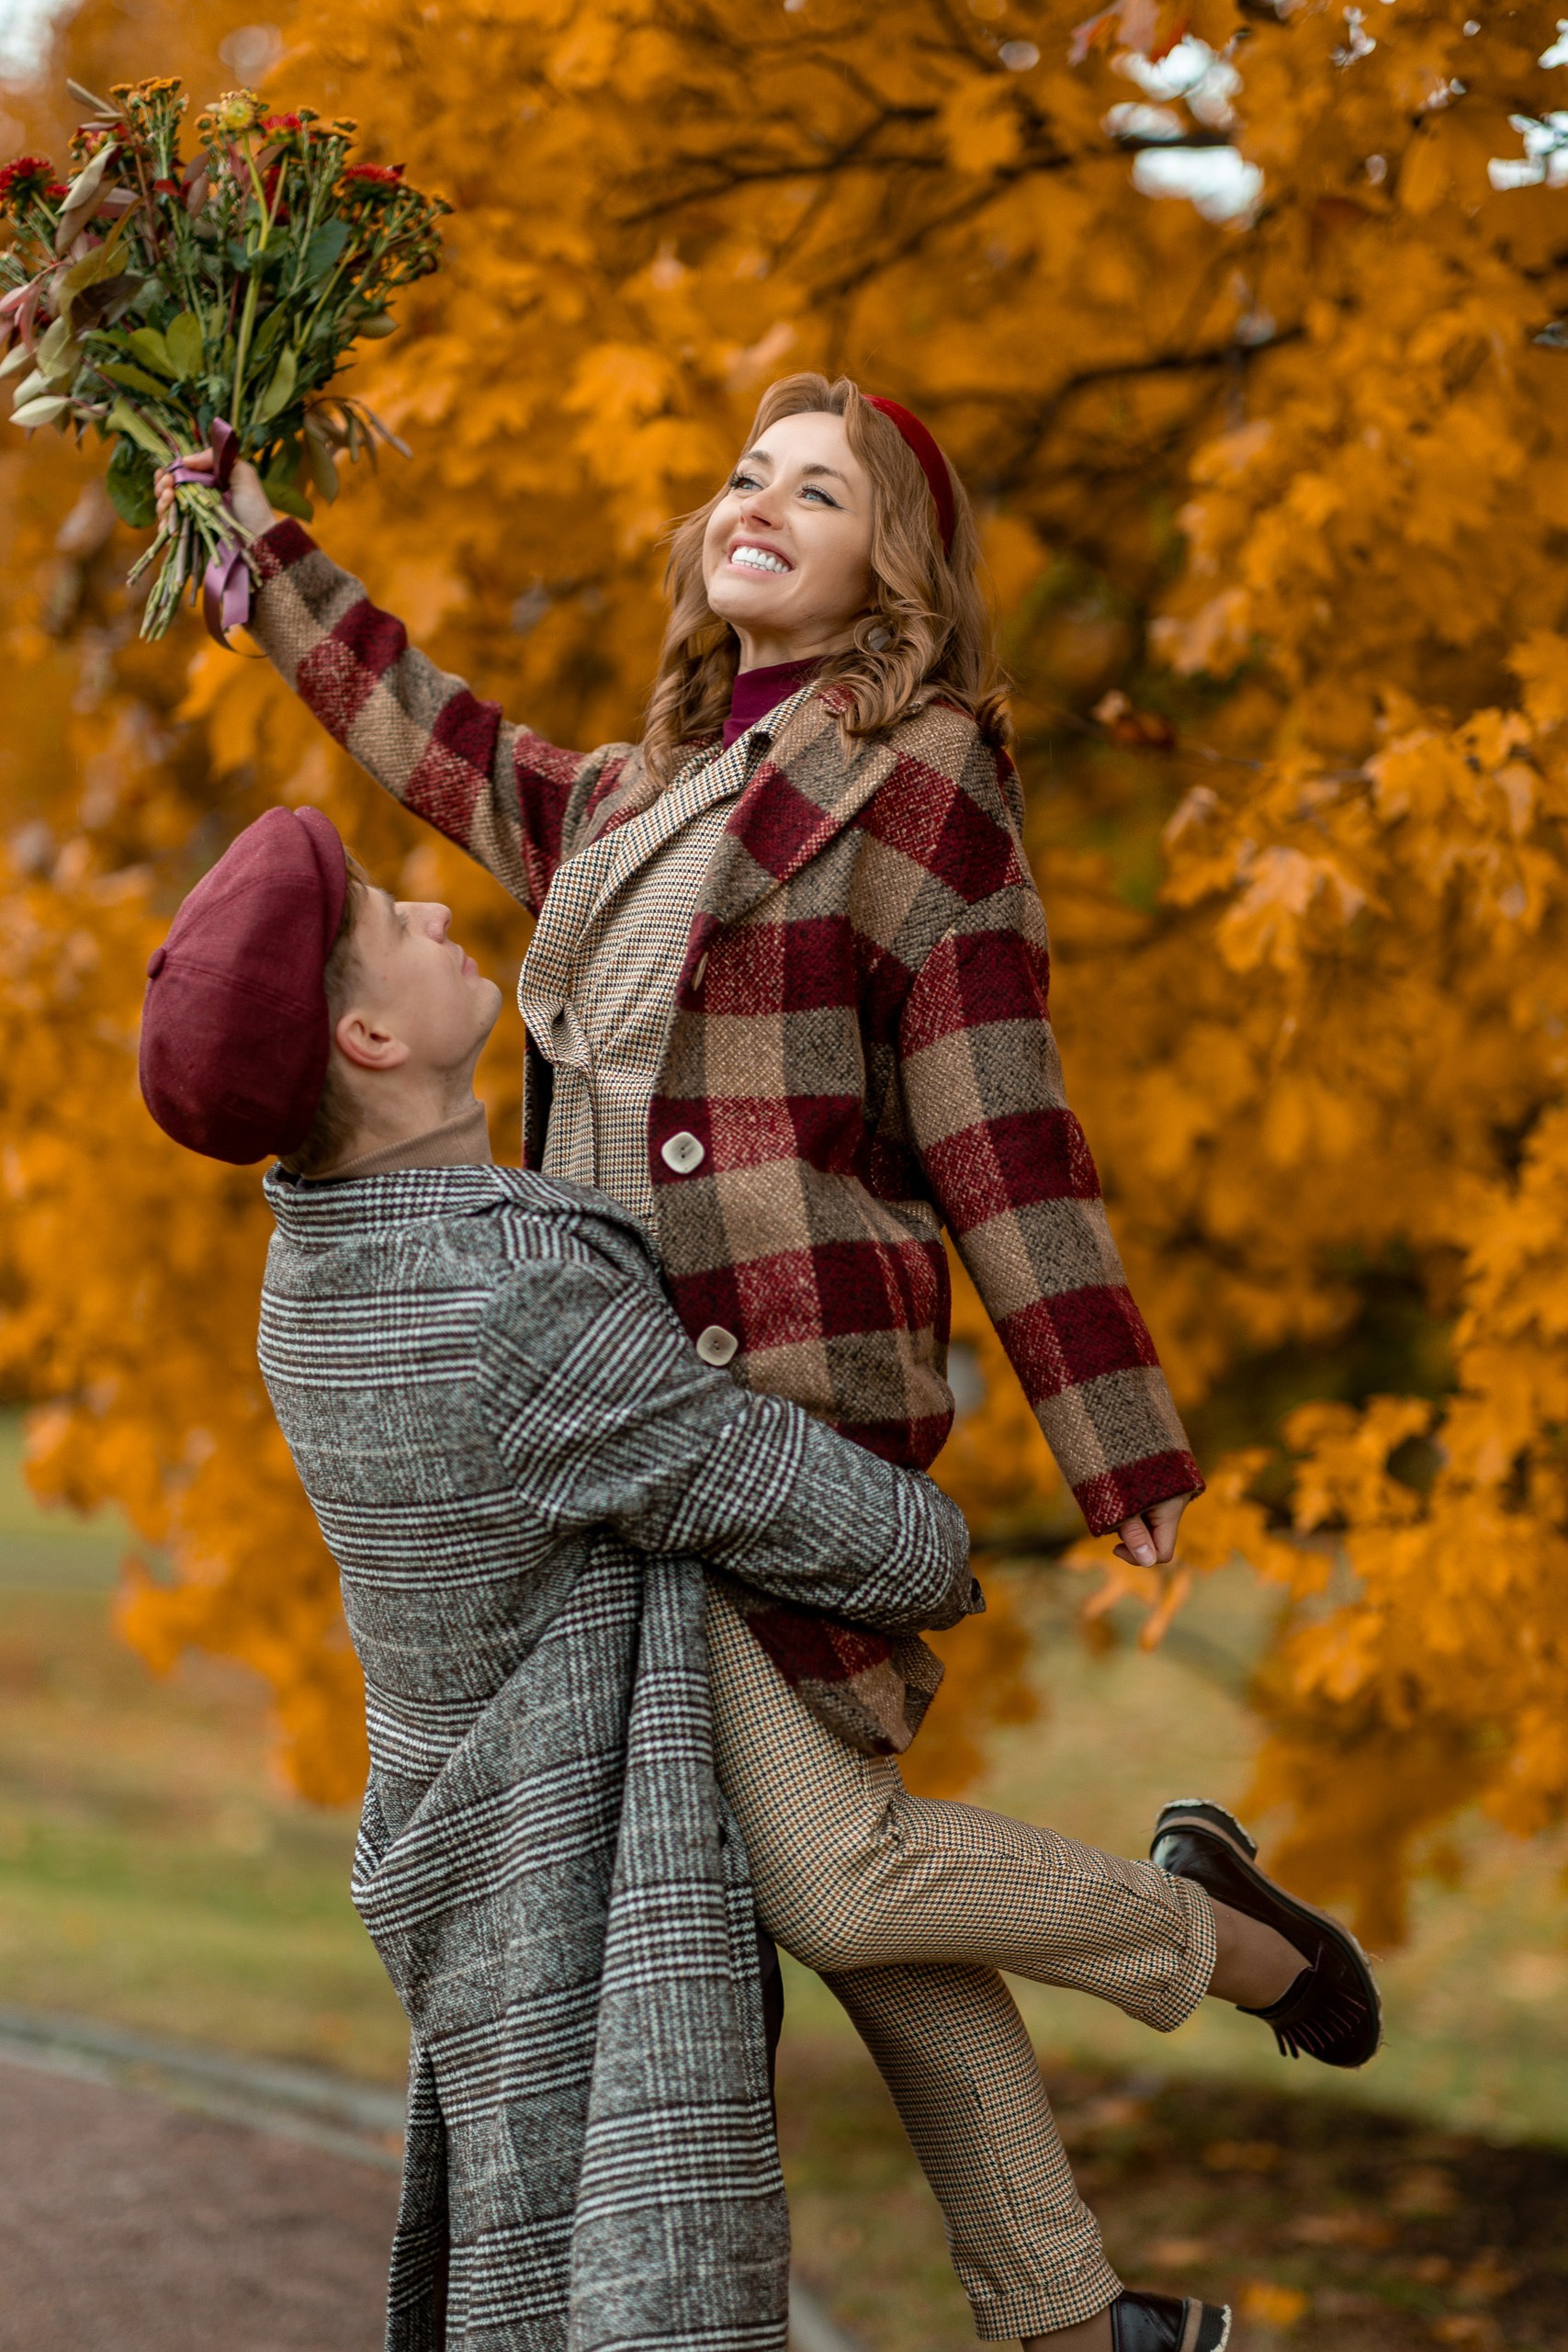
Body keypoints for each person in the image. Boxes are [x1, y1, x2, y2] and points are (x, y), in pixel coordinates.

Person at [156, 380, 1381, 2352]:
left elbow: (1001, 1122)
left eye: (822, 490)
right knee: (886, 1924)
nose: (762, 502)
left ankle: (1219, 1936)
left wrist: (1116, 1446)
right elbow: (435, 736)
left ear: (890, 570)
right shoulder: (636, 794)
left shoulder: (921, 785)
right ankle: (1080, 2327)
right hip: (612, 1430)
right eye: (745, 471)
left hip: (775, 1401)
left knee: (839, 1879)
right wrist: (256, 551)